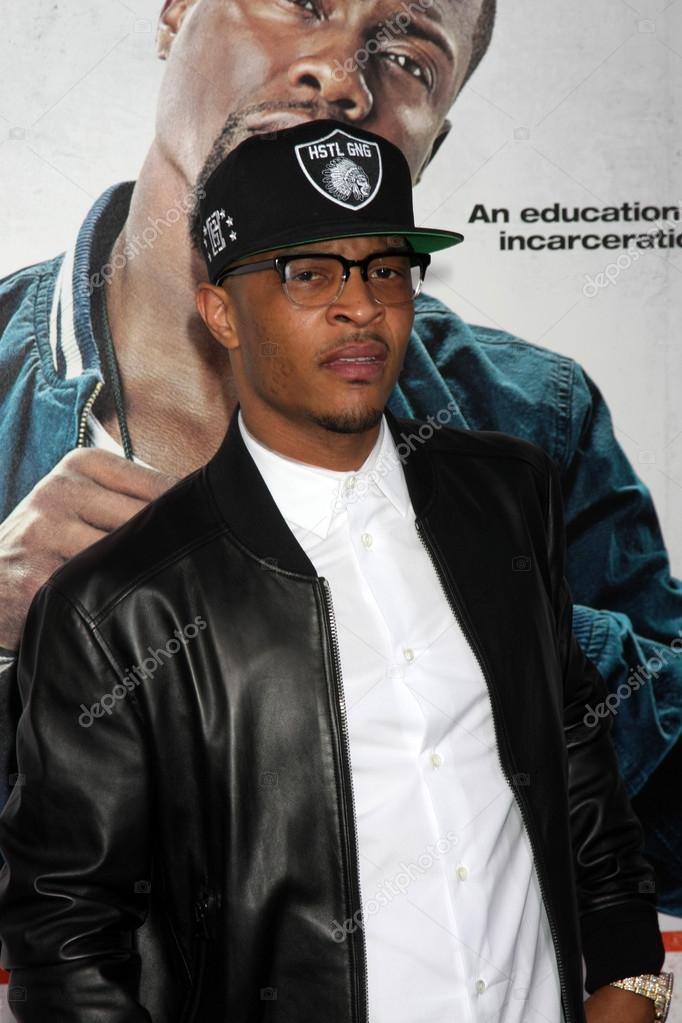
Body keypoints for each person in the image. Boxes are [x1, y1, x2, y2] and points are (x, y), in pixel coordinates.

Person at [0, 0, 680, 914]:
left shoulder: (537, 418)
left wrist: (480, 624)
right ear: (175, 11)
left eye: (408, 58)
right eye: (302, 1)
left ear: (430, 146)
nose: (339, 75)